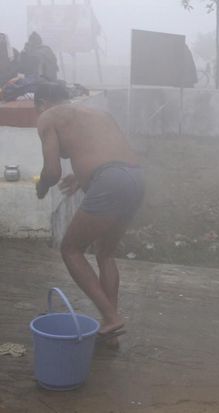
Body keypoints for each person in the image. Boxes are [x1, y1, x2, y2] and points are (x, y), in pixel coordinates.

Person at [34, 82, 144, 345]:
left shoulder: (48, 116)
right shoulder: (97, 114)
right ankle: (111, 331)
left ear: (41, 103)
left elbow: (51, 172)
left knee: (70, 249)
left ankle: (111, 317)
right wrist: (84, 179)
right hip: (135, 178)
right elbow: (109, 156)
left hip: (109, 181)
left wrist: (40, 188)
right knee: (105, 253)